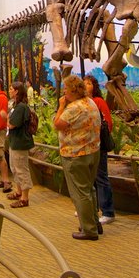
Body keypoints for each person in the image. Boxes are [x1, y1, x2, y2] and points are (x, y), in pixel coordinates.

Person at [54, 75, 101, 241]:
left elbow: (57, 124)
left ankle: (89, 230)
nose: (64, 91)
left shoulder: (73, 107)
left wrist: (61, 105)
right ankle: (94, 222)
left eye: (65, 88)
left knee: (80, 192)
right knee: (89, 189)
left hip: (75, 154)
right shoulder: (91, 102)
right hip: (93, 151)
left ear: (73, 90)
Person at [85, 76, 116, 224]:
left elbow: (107, 123)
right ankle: (93, 208)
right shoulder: (83, 103)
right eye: (83, 83)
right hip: (88, 146)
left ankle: (108, 211)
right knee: (91, 178)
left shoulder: (99, 102)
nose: (85, 86)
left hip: (98, 145)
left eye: (89, 83)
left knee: (101, 177)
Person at [6, 81, 35, 208]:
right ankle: (19, 191)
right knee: (14, 167)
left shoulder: (21, 107)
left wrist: (5, 118)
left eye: (11, 89)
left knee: (21, 169)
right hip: (14, 142)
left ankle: (25, 198)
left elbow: (12, 124)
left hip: (20, 143)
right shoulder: (15, 105)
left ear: (17, 91)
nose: (10, 91)